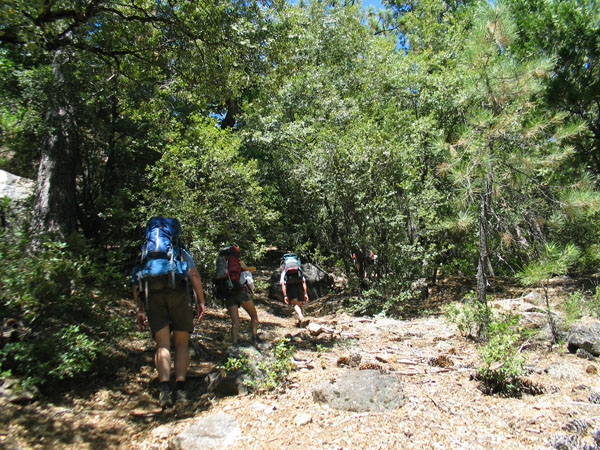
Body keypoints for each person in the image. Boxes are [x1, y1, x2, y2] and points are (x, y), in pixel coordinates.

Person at [132, 248, 205, 408]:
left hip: (153, 298)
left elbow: (137, 281)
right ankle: (180, 389)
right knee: (181, 343)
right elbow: (193, 274)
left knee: (162, 344)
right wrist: (201, 300)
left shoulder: (145, 251)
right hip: (178, 294)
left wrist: (140, 309)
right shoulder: (179, 249)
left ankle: (164, 389)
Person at [218, 251, 260, 345]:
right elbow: (250, 284)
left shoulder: (228, 274)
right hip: (242, 293)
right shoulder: (246, 272)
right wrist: (252, 290)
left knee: (235, 321)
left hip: (229, 294)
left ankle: (234, 343)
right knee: (254, 316)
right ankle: (254, 337)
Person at [280, 263, 309, 327]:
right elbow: (304, 282)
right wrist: (306, 293)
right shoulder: (299, 270)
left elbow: (283, 284)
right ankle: (301, 321)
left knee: (295, 304)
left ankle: (300, 316)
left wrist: (285, 296)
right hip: (299, 286)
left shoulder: (285, 271)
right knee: (300, 305)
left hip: (290, 287)